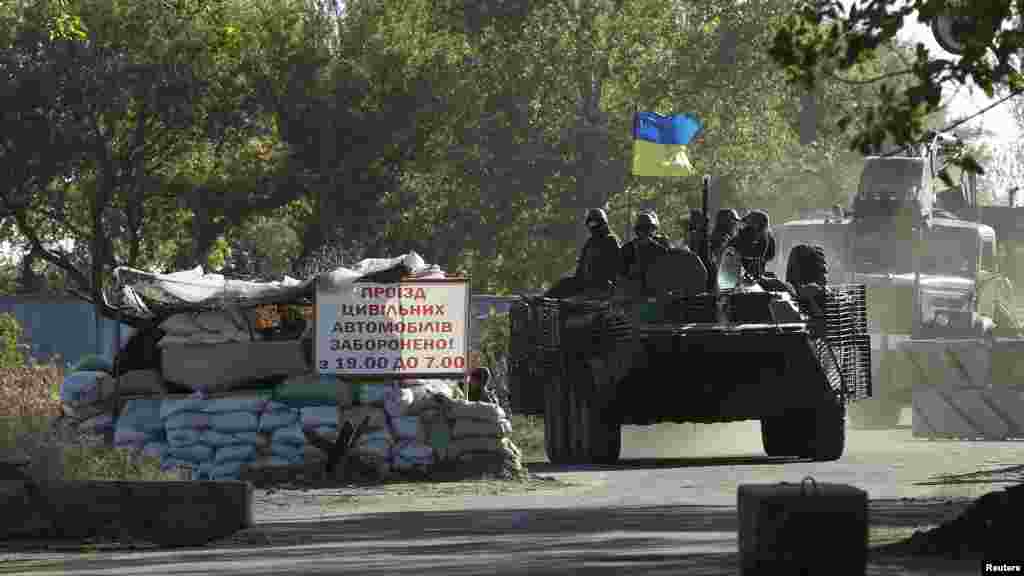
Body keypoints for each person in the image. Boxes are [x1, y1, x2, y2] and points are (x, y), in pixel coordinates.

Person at [545, 208, 621, 298]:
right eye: (591, 224)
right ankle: (543, 299)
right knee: (564, 283)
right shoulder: (590, 242)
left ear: (603, 224)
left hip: (602, 285)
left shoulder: (610, 241)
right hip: (585, 282)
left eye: (595, 223)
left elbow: (617, 268)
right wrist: (576, 280)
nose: (593, 227)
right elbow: (581, 267)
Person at [620, 211, 671, 292]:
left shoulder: (660, 250)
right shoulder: (627, 249)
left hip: (654, 292)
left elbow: (667, 274)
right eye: (643, 229)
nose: (645, 232)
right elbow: (621, 275)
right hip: (634, 293)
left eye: (647, 229)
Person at [729, 209, 776, 279]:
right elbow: (731, 250)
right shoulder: (743, 235)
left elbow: (767, 256)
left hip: (752, 276)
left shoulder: (766, 238)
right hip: (737, 274)